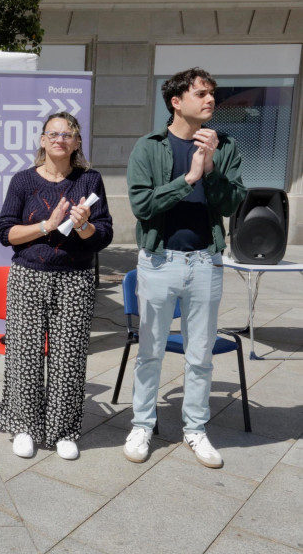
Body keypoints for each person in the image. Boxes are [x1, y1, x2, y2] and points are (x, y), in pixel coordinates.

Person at [124, 68, 246, 469]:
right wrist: (188, 178)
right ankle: (143, 423)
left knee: (200, 356)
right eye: (200, 93)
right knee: (150, 353)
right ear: (176, 101)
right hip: (159, 261)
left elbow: (232, 205)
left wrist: (209, 171)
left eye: (212, 94)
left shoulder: (224, 145)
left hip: (206, 262)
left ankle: (195, 428)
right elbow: (142, 207)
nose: (210, 100)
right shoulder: (149, 146)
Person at [0, 112, 113, 460]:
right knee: (24, 354)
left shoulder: (90, 180)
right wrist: (48, 225)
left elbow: (103, 234)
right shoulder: (23, 181)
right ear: (43, 140)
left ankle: (63, 430)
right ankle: (24, 427)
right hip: (29, 276)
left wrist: (83, 227)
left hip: (76, 278)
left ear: (77, 142)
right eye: (54, 133)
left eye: (69, 133)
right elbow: (6, 233)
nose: (61, 139)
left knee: (70, 355)